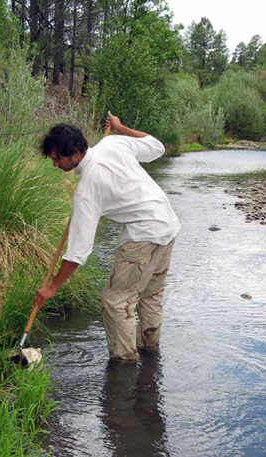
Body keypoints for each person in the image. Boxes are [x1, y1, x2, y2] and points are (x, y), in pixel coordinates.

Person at [34, 112, 180, 362]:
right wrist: (122, 129)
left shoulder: (87, 190)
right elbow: (156, 147)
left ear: (76, 154)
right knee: (150, 294)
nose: (55, 164)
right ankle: (149, 354)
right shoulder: (113, 142)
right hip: (168, 225)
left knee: (116, 300)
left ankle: (124, 365)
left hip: (144, 235)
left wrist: (52, 287)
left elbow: (78, 252)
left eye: (58, 159)